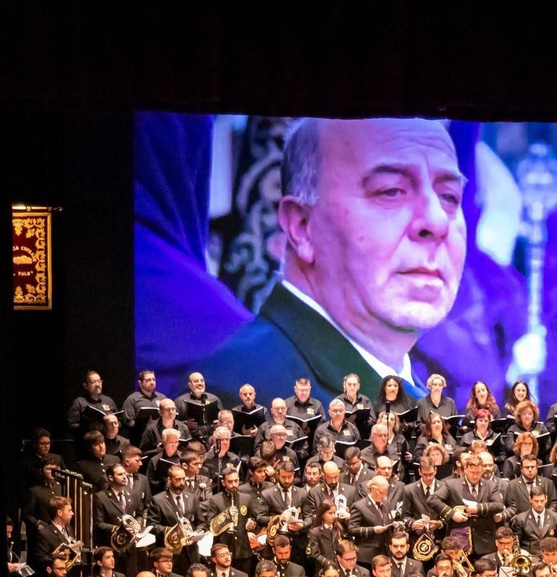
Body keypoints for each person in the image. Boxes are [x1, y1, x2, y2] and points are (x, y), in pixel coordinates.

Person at [198, 119, 468, 398]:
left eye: (449, 197)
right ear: (303, 226)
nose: (438, 221)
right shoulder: (241, 397)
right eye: (390, 191)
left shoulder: (404, 390)